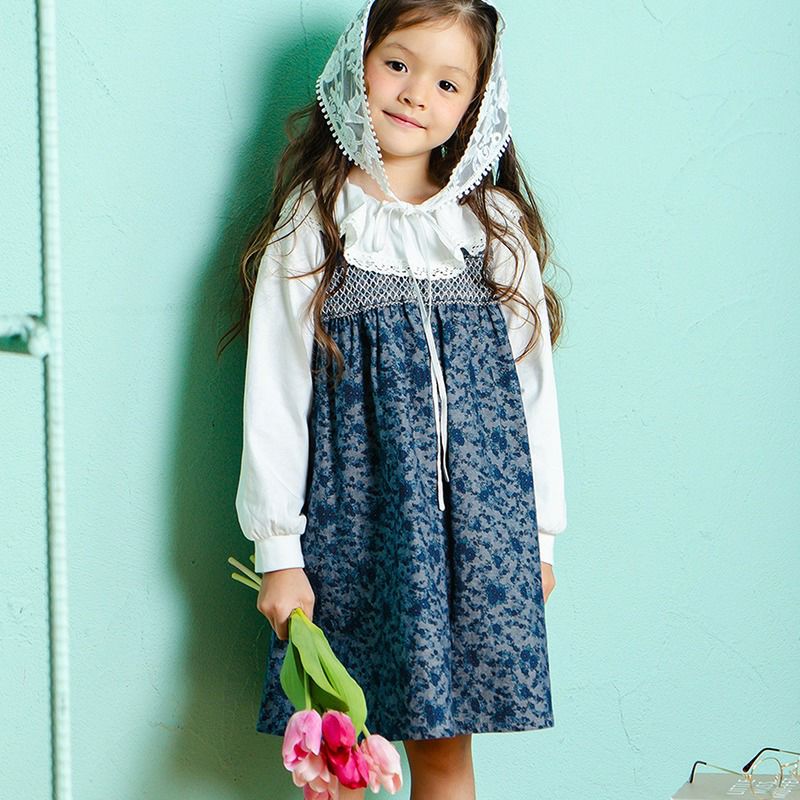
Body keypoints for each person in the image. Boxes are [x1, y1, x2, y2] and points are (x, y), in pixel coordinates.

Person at [222, 1, 568, 797]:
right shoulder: (317, 224)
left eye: (448, 82)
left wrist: (540, 536)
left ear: (474, 105)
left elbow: (534, 394)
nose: (416, 93)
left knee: (445, 753)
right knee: (343, 755)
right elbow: (275, 395)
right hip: (354, 529)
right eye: (398, 65)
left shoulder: (493, 228)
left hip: (477, 538)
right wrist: (280, 553)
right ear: (359, 66)